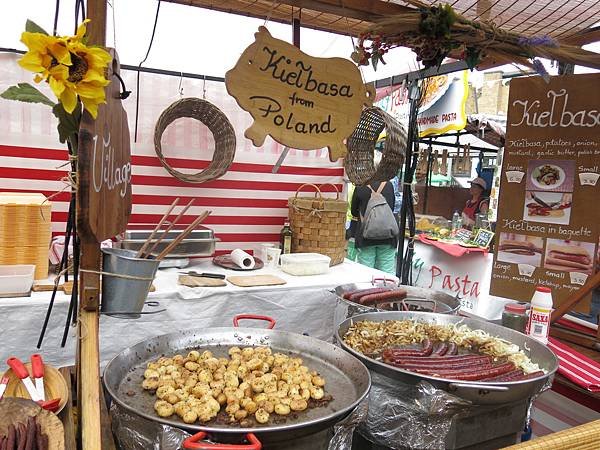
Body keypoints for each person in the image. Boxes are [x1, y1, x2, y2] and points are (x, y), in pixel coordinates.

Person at [350, 180, 397, 274]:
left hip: (366, 236)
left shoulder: (360, 186)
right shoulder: (389, 185)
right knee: (387, 273)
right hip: (387, 235)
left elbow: (354, 212)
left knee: (366, 273)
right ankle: (388, 289)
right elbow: (391, 207)